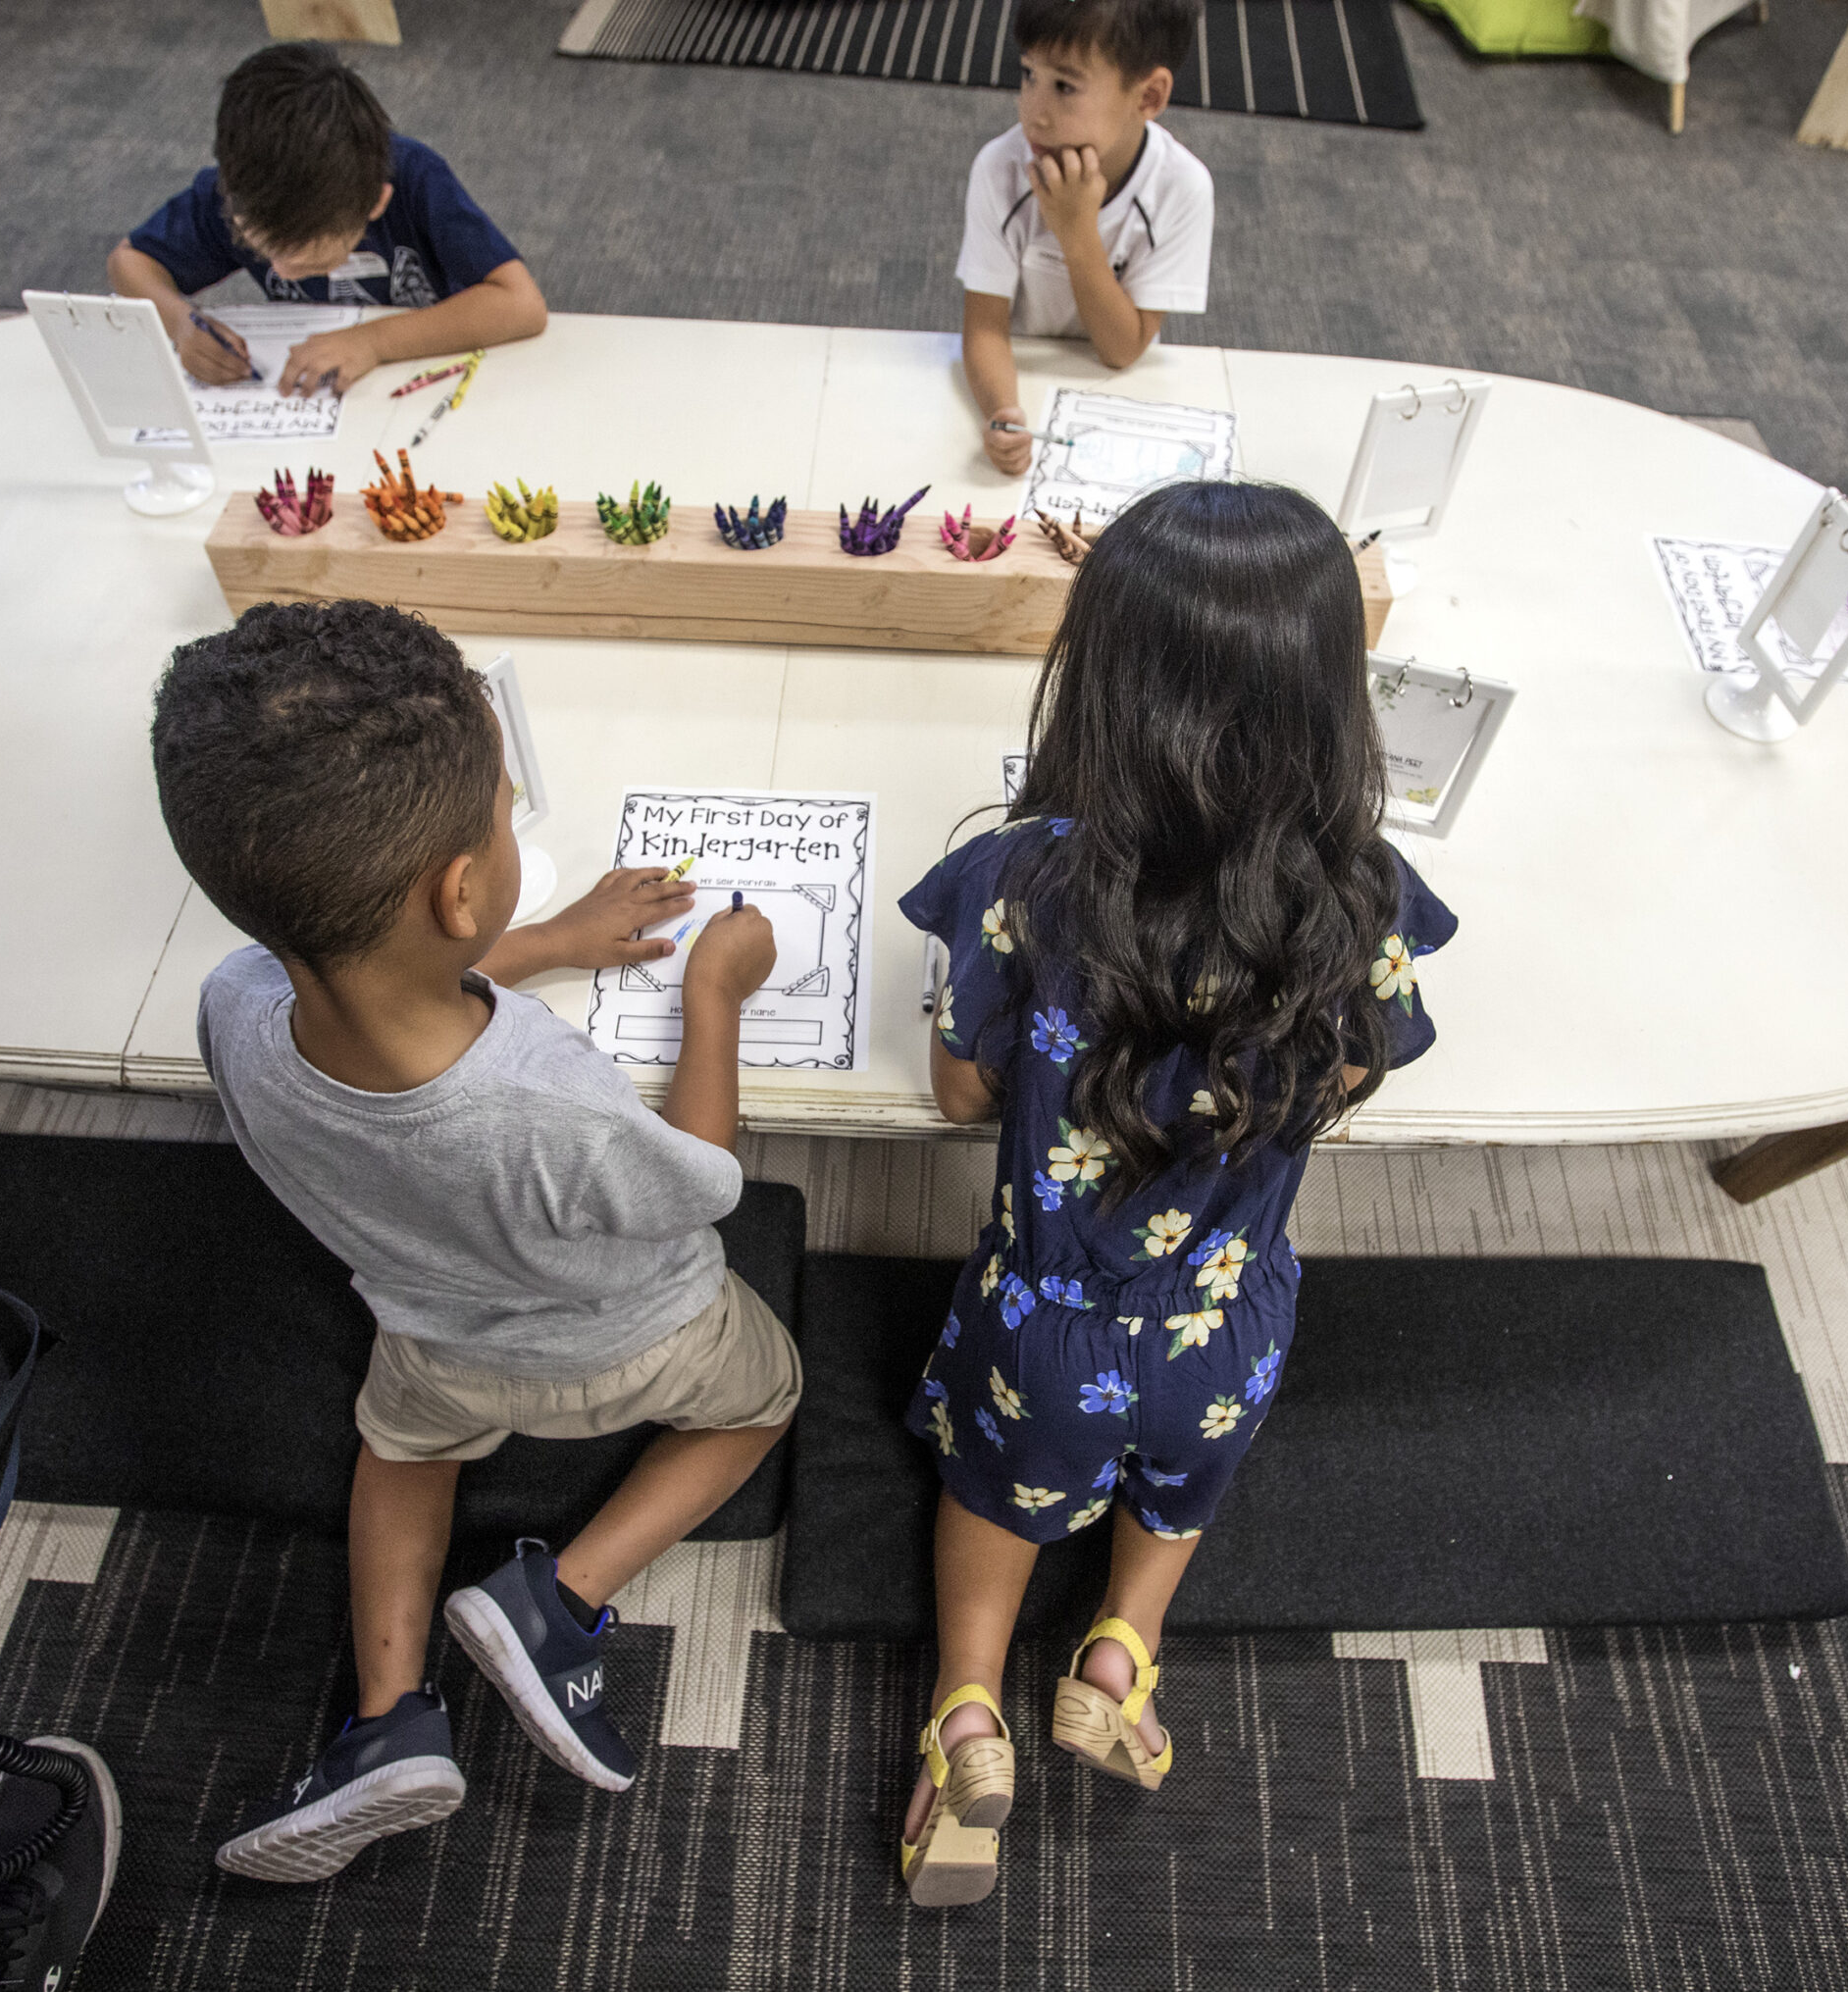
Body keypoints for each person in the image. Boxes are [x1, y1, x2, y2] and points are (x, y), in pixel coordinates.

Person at [149, 601, 797, 1882]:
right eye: (502, 809)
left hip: (432, 1338)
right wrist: (712, 991)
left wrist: (549, 942)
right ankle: (553, 1599)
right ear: (462, 886)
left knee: (395, 1453)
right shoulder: (548, 1095)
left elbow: (361, 965)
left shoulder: (233, 1003)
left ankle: (389, 1718)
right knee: (763, 1397)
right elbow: (703, 1180)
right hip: (639, 1337)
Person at [893, 481, 1458, 1906]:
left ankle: (967, 1719)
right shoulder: (1365, 893)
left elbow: (959, 1094)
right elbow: (1352, 1074)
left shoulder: (1027, 877)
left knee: (997, 1498)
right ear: (1333, 697)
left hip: (1048, 1328)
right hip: (1231, 1321)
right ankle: (1115, 1662)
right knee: (1175, 1500)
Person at [107, 42, 545, 396]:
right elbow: (128, 262)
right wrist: (181, 324)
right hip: (320, 395)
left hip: (430, 371)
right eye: (262, 251)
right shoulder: (238, 192)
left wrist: (374, 342)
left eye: (309, 264)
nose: (279, 271)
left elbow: (521, 304)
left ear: (376, 203)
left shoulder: (416, 179)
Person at [960, 0, 1212, 478]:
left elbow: (1122, 350)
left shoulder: (1183, 187)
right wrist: (1002, 412)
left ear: (1148, 97)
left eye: (1064, 86)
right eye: (1029, 74)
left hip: (1119, 392)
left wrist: (1077, 233)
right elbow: (984, 329)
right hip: (1020, 372)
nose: (1033, 113)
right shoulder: (1000, 167)